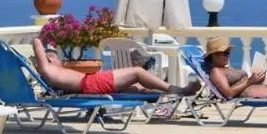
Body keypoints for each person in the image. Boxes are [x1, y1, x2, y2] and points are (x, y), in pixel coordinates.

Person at [31, 38, 200, 97]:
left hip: (89, 84)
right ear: (45, 60)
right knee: (138, 72)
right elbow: (36, 42)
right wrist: (42, 39)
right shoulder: (48, 70)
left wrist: (50, 53)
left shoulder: (56, 71)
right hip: (91, 83)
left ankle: (161, 94)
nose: (54, 54)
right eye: (50, 54)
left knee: (136, 87)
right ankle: (174, 89)